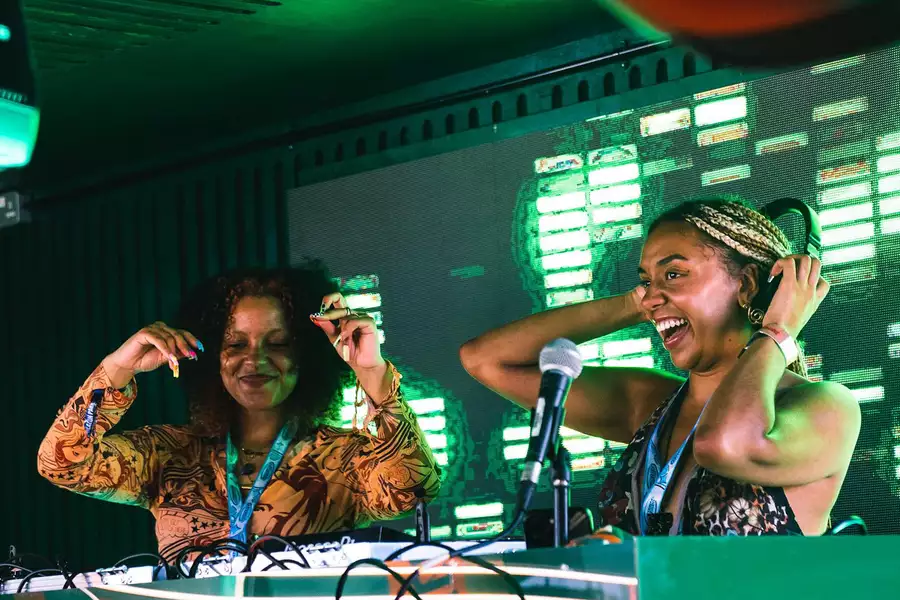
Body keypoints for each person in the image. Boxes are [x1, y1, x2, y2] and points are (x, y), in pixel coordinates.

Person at [460, 197, 860, 536]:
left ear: (747, 285)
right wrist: (640, 302)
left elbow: (723, 444)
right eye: (646, 281)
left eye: (674, 273)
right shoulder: (651, 404)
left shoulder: (825, 407)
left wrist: (778, 331)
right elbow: (486, 360)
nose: (653, 296)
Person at [38, 263, 441, 560]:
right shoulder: (170, 453)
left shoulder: (343, 459)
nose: (256, 360)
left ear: (306, 356)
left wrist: (370, 372)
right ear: (214, 355)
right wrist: (118, 368)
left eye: (278, 343)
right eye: (236, 344)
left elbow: (412, 488)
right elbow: (63, 465)